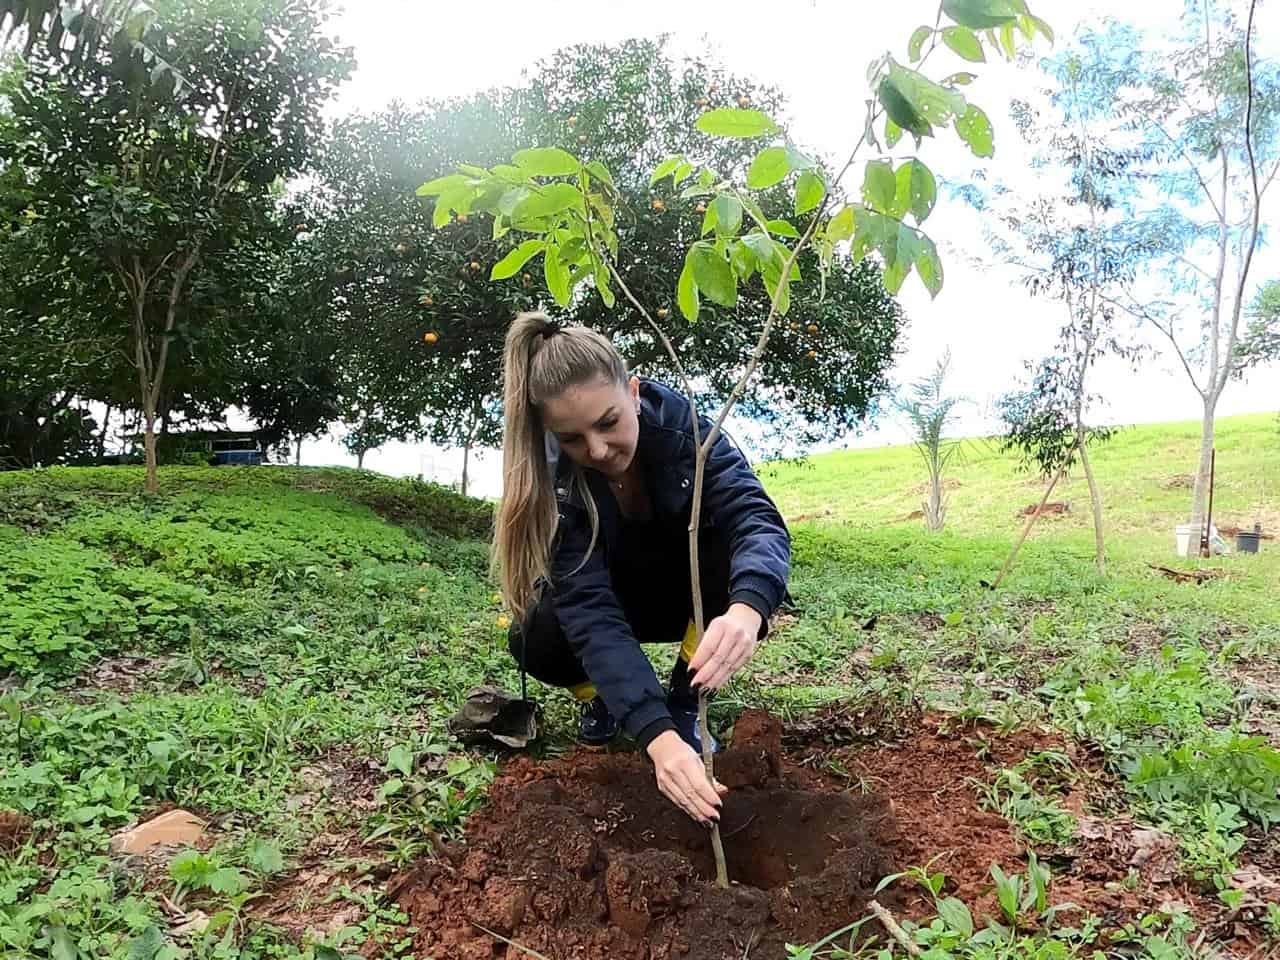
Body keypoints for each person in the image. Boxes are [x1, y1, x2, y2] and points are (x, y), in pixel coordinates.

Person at [495, 312, 791, 825]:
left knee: (732, 557)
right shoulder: (558, 484)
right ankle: (610, 702)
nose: (597, 450)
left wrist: (747, 611)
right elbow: (588, 609)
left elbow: (755, 519)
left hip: (690, 594)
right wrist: (653, 734)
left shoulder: (686, 432)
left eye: (608, 422)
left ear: (633, 392)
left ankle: (686, 698)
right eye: (571, 438)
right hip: (618, 598)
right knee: (535, 636)